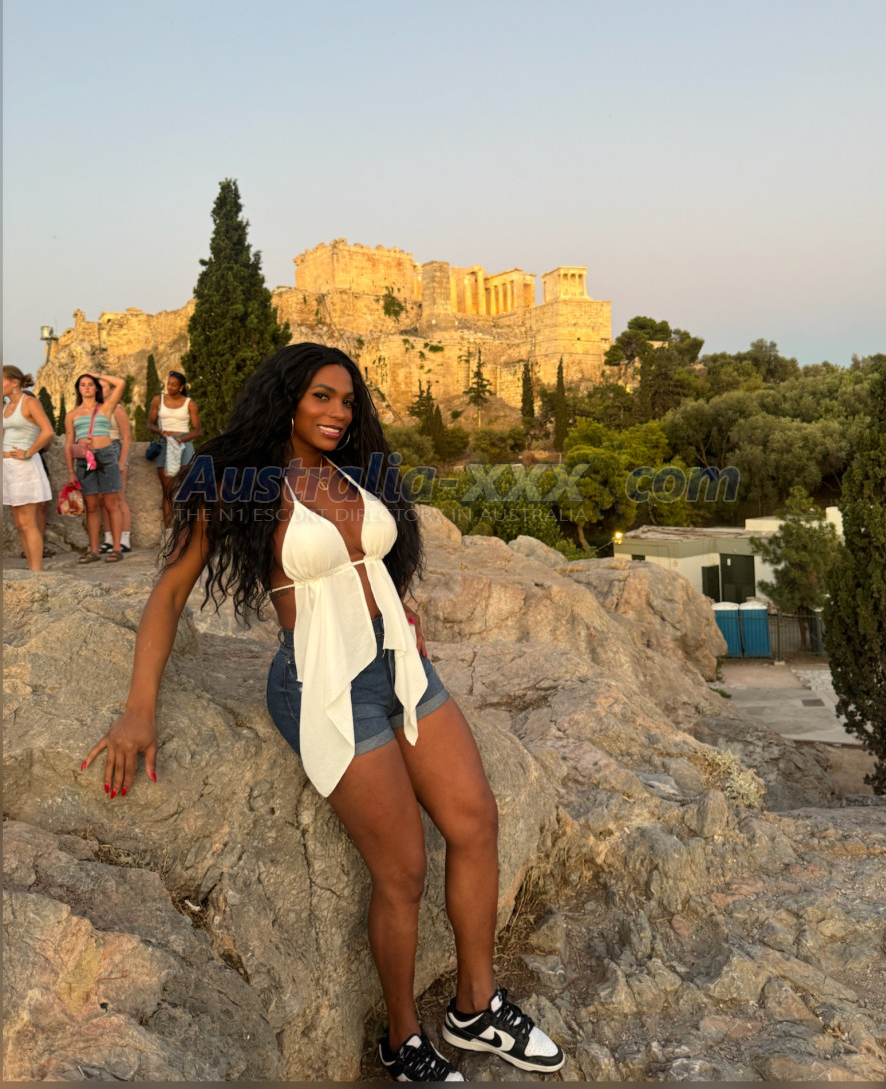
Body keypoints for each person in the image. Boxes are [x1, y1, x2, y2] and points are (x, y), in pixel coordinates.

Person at [81, 343, 566, 1082]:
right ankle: (402, 1040)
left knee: (476, 822)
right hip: (322, 681)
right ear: (286, 400)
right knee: (402, 870)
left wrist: (397, 610)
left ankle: (476, 1007)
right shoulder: (239, 483)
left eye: (347, 400)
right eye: (321, 397)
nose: (338, 412)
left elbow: (371, 561)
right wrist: (137, 709)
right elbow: (171, 590)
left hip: (398, 662)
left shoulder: (355, 471)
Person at [64, 373, 127, 563]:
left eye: (90, 384)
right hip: (84, 461)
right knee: (91, 507)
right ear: (78, 389)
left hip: (106, 456)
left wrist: (97, 375)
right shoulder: (72, 415)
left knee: (111, 504)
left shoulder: (106, 407)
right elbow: (68, 444)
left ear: (96, 388)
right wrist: (70, 471)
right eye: (83, 384)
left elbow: (121, 382)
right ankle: (93, 551)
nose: (87, 387)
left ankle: (116, 548)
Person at [2, 365, 55, 570]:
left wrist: (29, 452)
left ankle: (36, 571)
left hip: (24, 467)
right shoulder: (6, 407)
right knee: (19, 524)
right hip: (7, 468)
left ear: (14, 383)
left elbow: (48, 431)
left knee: (28, 522)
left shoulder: (30, 402)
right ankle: (31, 568)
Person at [148, 371, 202, 528]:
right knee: (168, 491)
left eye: (173, 385)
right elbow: (150, 424)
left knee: (188, 488)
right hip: (165, 443)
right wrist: (161, 432)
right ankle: (169, 530)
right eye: (168, 384)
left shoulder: (189, 404)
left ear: (181, 387)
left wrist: (181, 439)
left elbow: (197, 431)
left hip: (184, 444)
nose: (169, 387)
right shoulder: (158, 400)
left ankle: (190, 527)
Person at [100, 402, 132, 553]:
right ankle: (109, 539)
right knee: (103, 499)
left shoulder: (117, 408)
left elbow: (126, 436)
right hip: (99, 450)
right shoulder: (94, 408)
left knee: (119, 497)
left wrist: (122, 461)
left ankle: (125, 539)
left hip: (115, 449)